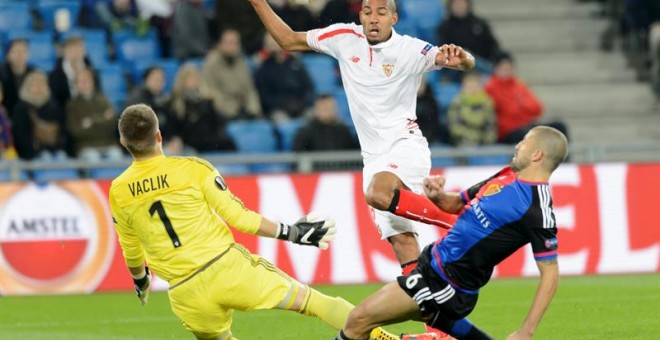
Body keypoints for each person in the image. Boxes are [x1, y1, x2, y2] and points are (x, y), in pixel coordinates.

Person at [248, 0, 475, 336]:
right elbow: (287, 40)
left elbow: (461, 62)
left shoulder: (410, 49)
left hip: (406, 145)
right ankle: (437, 331)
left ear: (393, 18)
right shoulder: (343, 37)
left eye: (382, 12)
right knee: (404, 245)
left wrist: (462, 58)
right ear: (361, 16)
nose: (373, 18)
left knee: (379, 193)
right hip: (374, 158)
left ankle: (458, 220)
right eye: (368, 11)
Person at [109, 103, 402, 340]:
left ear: (123, 142)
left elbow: (130, 247)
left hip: (185, 292)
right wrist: (292, 233)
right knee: (314, 302)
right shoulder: (192, 169)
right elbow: (239, 218)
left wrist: (141, 280)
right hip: (227, 268)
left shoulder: (119, 190)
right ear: (159, 136)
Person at [338, 126, 567, 340]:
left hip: (447, 284)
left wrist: (526, 331)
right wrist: (437, 194)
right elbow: (456, 204)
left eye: (524, 143)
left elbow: (550, 274)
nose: (517, 146)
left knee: (358, 320)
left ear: (537, 155)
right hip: (433, 263)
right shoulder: (506, 175)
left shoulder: (537, 210)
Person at [484, 53, 568, 145]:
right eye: (504, 68)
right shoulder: (491, 87)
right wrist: (521, 106)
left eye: (509, 68)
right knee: (528, 135)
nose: (507, 71)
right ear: (496, 69)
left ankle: (564, 158)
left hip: (526, 126)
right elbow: (510, 111)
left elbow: (537, 108)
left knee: (559, 127)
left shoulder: (518, 84)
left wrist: (519, 106)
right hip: (508, 133)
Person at [201, 29, 263, 120]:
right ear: (220, 44)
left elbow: (250, 90)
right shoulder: (211, 64)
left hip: (244, 111)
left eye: (236, 43)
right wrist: (230, 109)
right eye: (229, 43)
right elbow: (208, 91)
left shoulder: (242, 63)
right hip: (222, 113)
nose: (233, 46)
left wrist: (254, 110)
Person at [66, 67, 122, 162]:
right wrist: (103, 118)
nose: (85, 84)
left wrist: (90, 122)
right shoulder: (72, 105)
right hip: (86, 146)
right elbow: (75, 131)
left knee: (117, 156)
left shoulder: (104, 100)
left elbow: (112, 125)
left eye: (87, 80)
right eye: (81, 81)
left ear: (93, 82)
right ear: (76, 85)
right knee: (92, 158)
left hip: (108, 144)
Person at [255, 33, 315, 122]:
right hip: (278, 110)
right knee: (282, 120)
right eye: (270, 42)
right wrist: (283, 105)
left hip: (300, 106)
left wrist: (302, 103)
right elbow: (264, 96)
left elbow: (308, 87)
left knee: (314, 117)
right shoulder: (263, 69)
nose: (273, 44)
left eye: (275, 40)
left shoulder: (295, 64)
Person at [12, 71, 69, 161]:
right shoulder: (21, 109)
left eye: (42, 84)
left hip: (56, 151)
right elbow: (21, 137)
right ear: (27, 87)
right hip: (32, 155)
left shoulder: (55, 107)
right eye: (34, 85)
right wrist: (37, 150)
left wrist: (56, 147)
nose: (39, 88)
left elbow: (63, 132)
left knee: (62, 158)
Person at [292, 94, 358, 152]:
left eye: (331, 107)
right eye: (324, 108)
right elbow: (298, 157)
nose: (328, 111)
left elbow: (352, 155)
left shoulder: (343, 131)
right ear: (316, 109)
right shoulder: (305, 132)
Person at [447, 72, 496, 146]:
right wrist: (473, 136)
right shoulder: (457, 103)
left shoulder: (487, 103)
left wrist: (487, 139)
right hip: (463, 141)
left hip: (484, 142)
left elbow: (491, 126)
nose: (473, 89)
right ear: (463, 87)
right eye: (469, 86)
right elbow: (455, 127)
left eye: (475, 86)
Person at [0, 39, 35, 117]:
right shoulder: (1, 74)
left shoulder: (34, 73)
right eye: (15, 51)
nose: (20, 55)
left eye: (23, 51)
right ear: (8, 55)